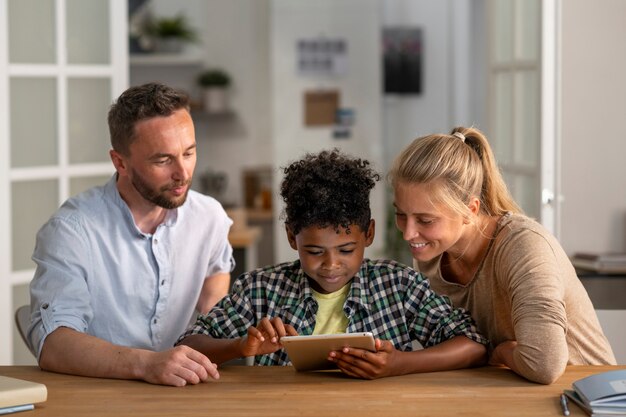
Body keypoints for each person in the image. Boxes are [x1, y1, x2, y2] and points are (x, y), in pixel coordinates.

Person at [177, 149, 487, 379]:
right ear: (291, 238)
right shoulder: (261, 289)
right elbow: (188, 345)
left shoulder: (398, 287)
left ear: (369, 234)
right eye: (314, 251)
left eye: (346, 249)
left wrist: (401, 364)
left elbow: (472, 344)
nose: (331, 264)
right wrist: (239, 347)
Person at [27, 82, 235, 386]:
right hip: (99, 397)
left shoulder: (209, 218)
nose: (183, 173)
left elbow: (215, 295)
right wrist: (149, 364)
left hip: (186, 394)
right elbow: (53, 345)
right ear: (120, 162)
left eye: (189, 153)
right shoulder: (72, 231)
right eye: (163, 160)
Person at [388, 126, 616, 384]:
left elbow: (545, 365)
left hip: (587, 398)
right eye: (401, 215)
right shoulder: (430, 255)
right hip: (507, 392)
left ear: (470, 210)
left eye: (425, 220)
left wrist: (501, 352)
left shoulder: (524, 245)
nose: (408, 234)